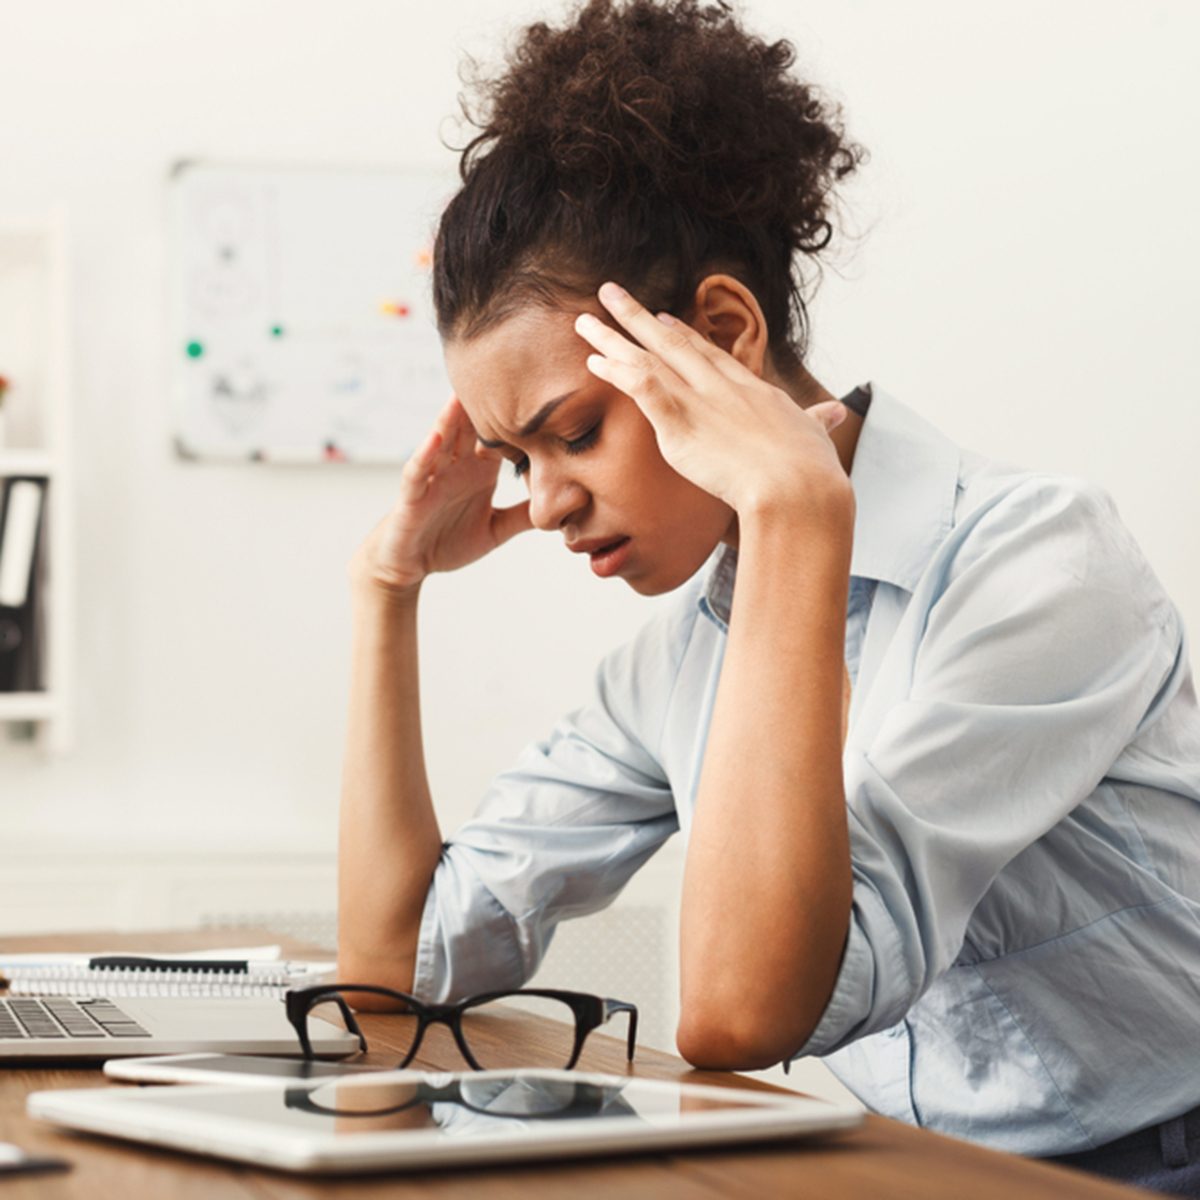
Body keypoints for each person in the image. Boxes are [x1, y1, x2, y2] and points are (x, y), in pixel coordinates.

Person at [336, 0, 1200, 1190]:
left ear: (724, 333)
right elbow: (396, 968)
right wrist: (388, 589)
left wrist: (794, 509)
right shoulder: (676, 659)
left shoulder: (1042, 560)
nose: (539, 506)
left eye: (572, 434)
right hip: (920, 1167)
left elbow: (742, 1018)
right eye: (516, 461)